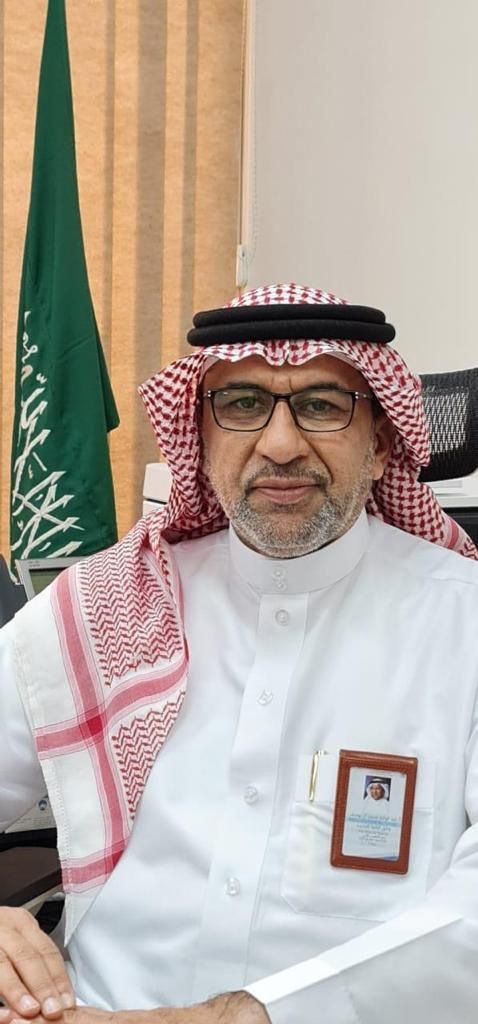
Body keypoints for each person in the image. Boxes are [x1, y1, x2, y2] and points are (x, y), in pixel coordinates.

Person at [1, 283, 478, 1024]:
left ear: (382, 443)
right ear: (199, 435)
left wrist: (240, 1016)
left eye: (322, 405)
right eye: (243, 404)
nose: (280, 445)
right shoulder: (101, 606)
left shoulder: (462, 622)